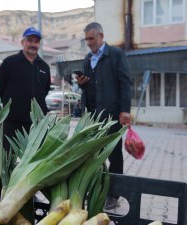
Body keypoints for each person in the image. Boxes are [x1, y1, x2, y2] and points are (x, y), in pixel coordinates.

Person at [76, 22, 132, 210]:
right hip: (93, 117)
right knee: (95, 154)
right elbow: (89, 87)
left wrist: (125, 110)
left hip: (112, 115)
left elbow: (125, 83)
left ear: (101, 36)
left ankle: (115, 194)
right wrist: (82, 84)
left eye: (92, 38)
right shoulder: (87, 59)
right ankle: (98, 189)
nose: (89, 42)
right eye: (86, 39)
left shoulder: (115, 55)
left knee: (114, 155)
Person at [0, 27, 51, 152]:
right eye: (29, 40)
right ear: (22, 42)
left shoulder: (44, 66)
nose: (33, 44)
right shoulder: (9, 63)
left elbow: (45, 90)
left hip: (37, 122)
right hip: (12, 121)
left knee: (35, 157)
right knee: (9, 157)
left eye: (36, 41)